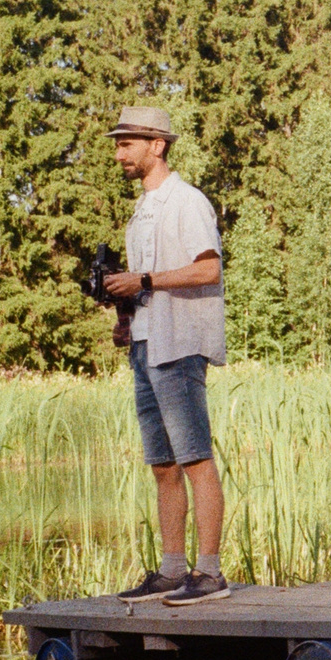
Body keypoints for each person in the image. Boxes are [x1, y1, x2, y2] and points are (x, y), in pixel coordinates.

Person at [102, 106, 231, 606]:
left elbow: (207, 272)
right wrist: (126, 316)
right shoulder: (142, 212)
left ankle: (211, 572)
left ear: (157, 144)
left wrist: (145, 281)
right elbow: (144, 286)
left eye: (127, 143)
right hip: (146, 344)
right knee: (162, 464)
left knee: (195, 458)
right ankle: (172, 570)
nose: (119, 154)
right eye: (117, 145)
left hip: (180, 346)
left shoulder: (188, 201)